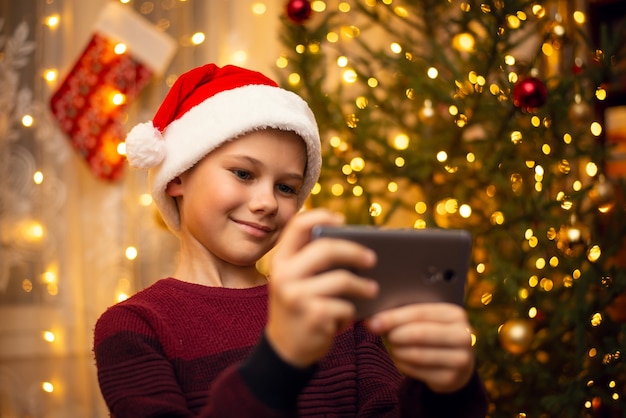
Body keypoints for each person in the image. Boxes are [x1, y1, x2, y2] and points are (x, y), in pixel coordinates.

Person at [93, 63, 488, 417]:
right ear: (178, 176)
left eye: (286, 187)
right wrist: (281, 359)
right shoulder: (134, 327)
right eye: (244, 174)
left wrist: (448, 392)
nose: (267, 203)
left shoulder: (338, 310)